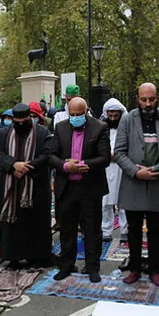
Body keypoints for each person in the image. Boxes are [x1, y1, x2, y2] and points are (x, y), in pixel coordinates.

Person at [115, 83, 159, 287]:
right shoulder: (127, 120)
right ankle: (135, 268)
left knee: (155, 230)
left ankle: (154, 269)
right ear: (138, 98)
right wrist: (136, 172)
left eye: (151, 99)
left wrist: (156, 170)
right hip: (133, 183)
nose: (147, 104)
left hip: (157, 182)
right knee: (133, 231)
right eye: (143, 99)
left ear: (158, 98)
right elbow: (119, 152)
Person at [50, 97, 111, 282]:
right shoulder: (60, 128)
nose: (75, 117)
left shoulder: (99, 128)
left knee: (92, 229)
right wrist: (65, 166)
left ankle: (92, 267)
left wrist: (84, 165)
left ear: (87, 111)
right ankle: (66, 265)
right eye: (72, 114)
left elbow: (105, 158)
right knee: (67, 229)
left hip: (89, 187)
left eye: (79, 114)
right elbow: (51, 155)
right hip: (67, 187)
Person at [0, 103, 54, 269]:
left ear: (30, 119)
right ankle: (13, 257)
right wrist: (13, 165)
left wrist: (26, 167)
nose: (20, 125)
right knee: (12, 225)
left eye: (24, 121)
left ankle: (36, 257)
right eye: (17, 122)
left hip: (35, 186)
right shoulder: (4, 133)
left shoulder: (42, 132)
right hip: (11, 186)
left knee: (36, 224)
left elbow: (48, 154)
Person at [100, 98, 129, 242]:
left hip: (122, 168)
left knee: (124, 201)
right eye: (110, 115)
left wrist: (118, 156)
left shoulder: (126, 127)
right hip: (106, 168)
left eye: (115, 115)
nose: (112, 118)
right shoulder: (102, 128)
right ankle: (106, 231)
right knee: (105, 202)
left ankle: (125, 231)